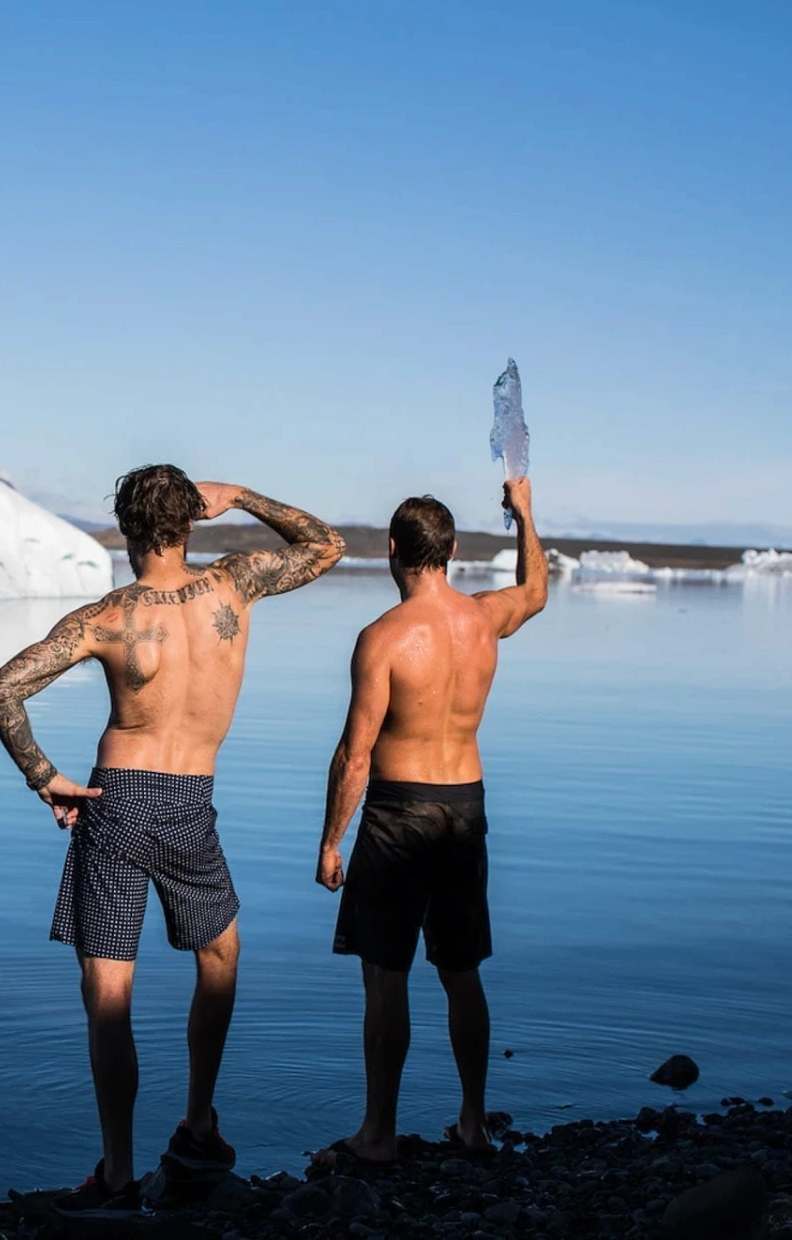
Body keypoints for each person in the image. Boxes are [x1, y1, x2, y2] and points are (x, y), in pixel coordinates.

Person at [0, 464, 345, 1217]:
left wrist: (44, 777)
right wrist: (241, 496)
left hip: (115, 800)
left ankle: (117, 1175)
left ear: (126, 529)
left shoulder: (105, 617)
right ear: (191, 521)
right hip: (190, 802)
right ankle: (198, 1121)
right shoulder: (236, 583)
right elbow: (326, 544)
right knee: (220, 955)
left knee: (109, 993)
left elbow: (1, 689)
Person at [312, 478, 547, 1171]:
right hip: (465, 807)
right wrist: (524, 514)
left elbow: (355, 754)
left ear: (393, 550)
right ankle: (473, 1122)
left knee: (386, 976)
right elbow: (536, 590)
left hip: (398, 813)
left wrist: (330, 841)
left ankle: (378, 1133)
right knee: (461, 971)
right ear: (452, 550)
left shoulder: (383, 637)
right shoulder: (483, 619)